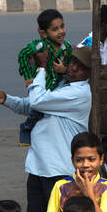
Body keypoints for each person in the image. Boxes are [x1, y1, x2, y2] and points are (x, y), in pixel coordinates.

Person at [0, 46, 92, 212]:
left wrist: (41, 69)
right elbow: (33, 105)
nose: (73, 68)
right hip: (38, 167)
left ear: (89, 73)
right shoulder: (62, 86)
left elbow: (38, 100)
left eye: (81, 67)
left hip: (58, 171)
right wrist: (6, 100)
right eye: (73, 63)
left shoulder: (79, 93)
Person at [15, 8, 73, 146]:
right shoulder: (40, 46)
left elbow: (72, 67)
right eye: (55, 29)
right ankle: (26, 128)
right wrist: (29, 78)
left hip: (58, 86)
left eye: (62, 26)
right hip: (41, 86)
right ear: (43, 33)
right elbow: (23, 55)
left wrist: (64, 70)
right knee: (38, 110)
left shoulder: (67, 48)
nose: (61, 31)